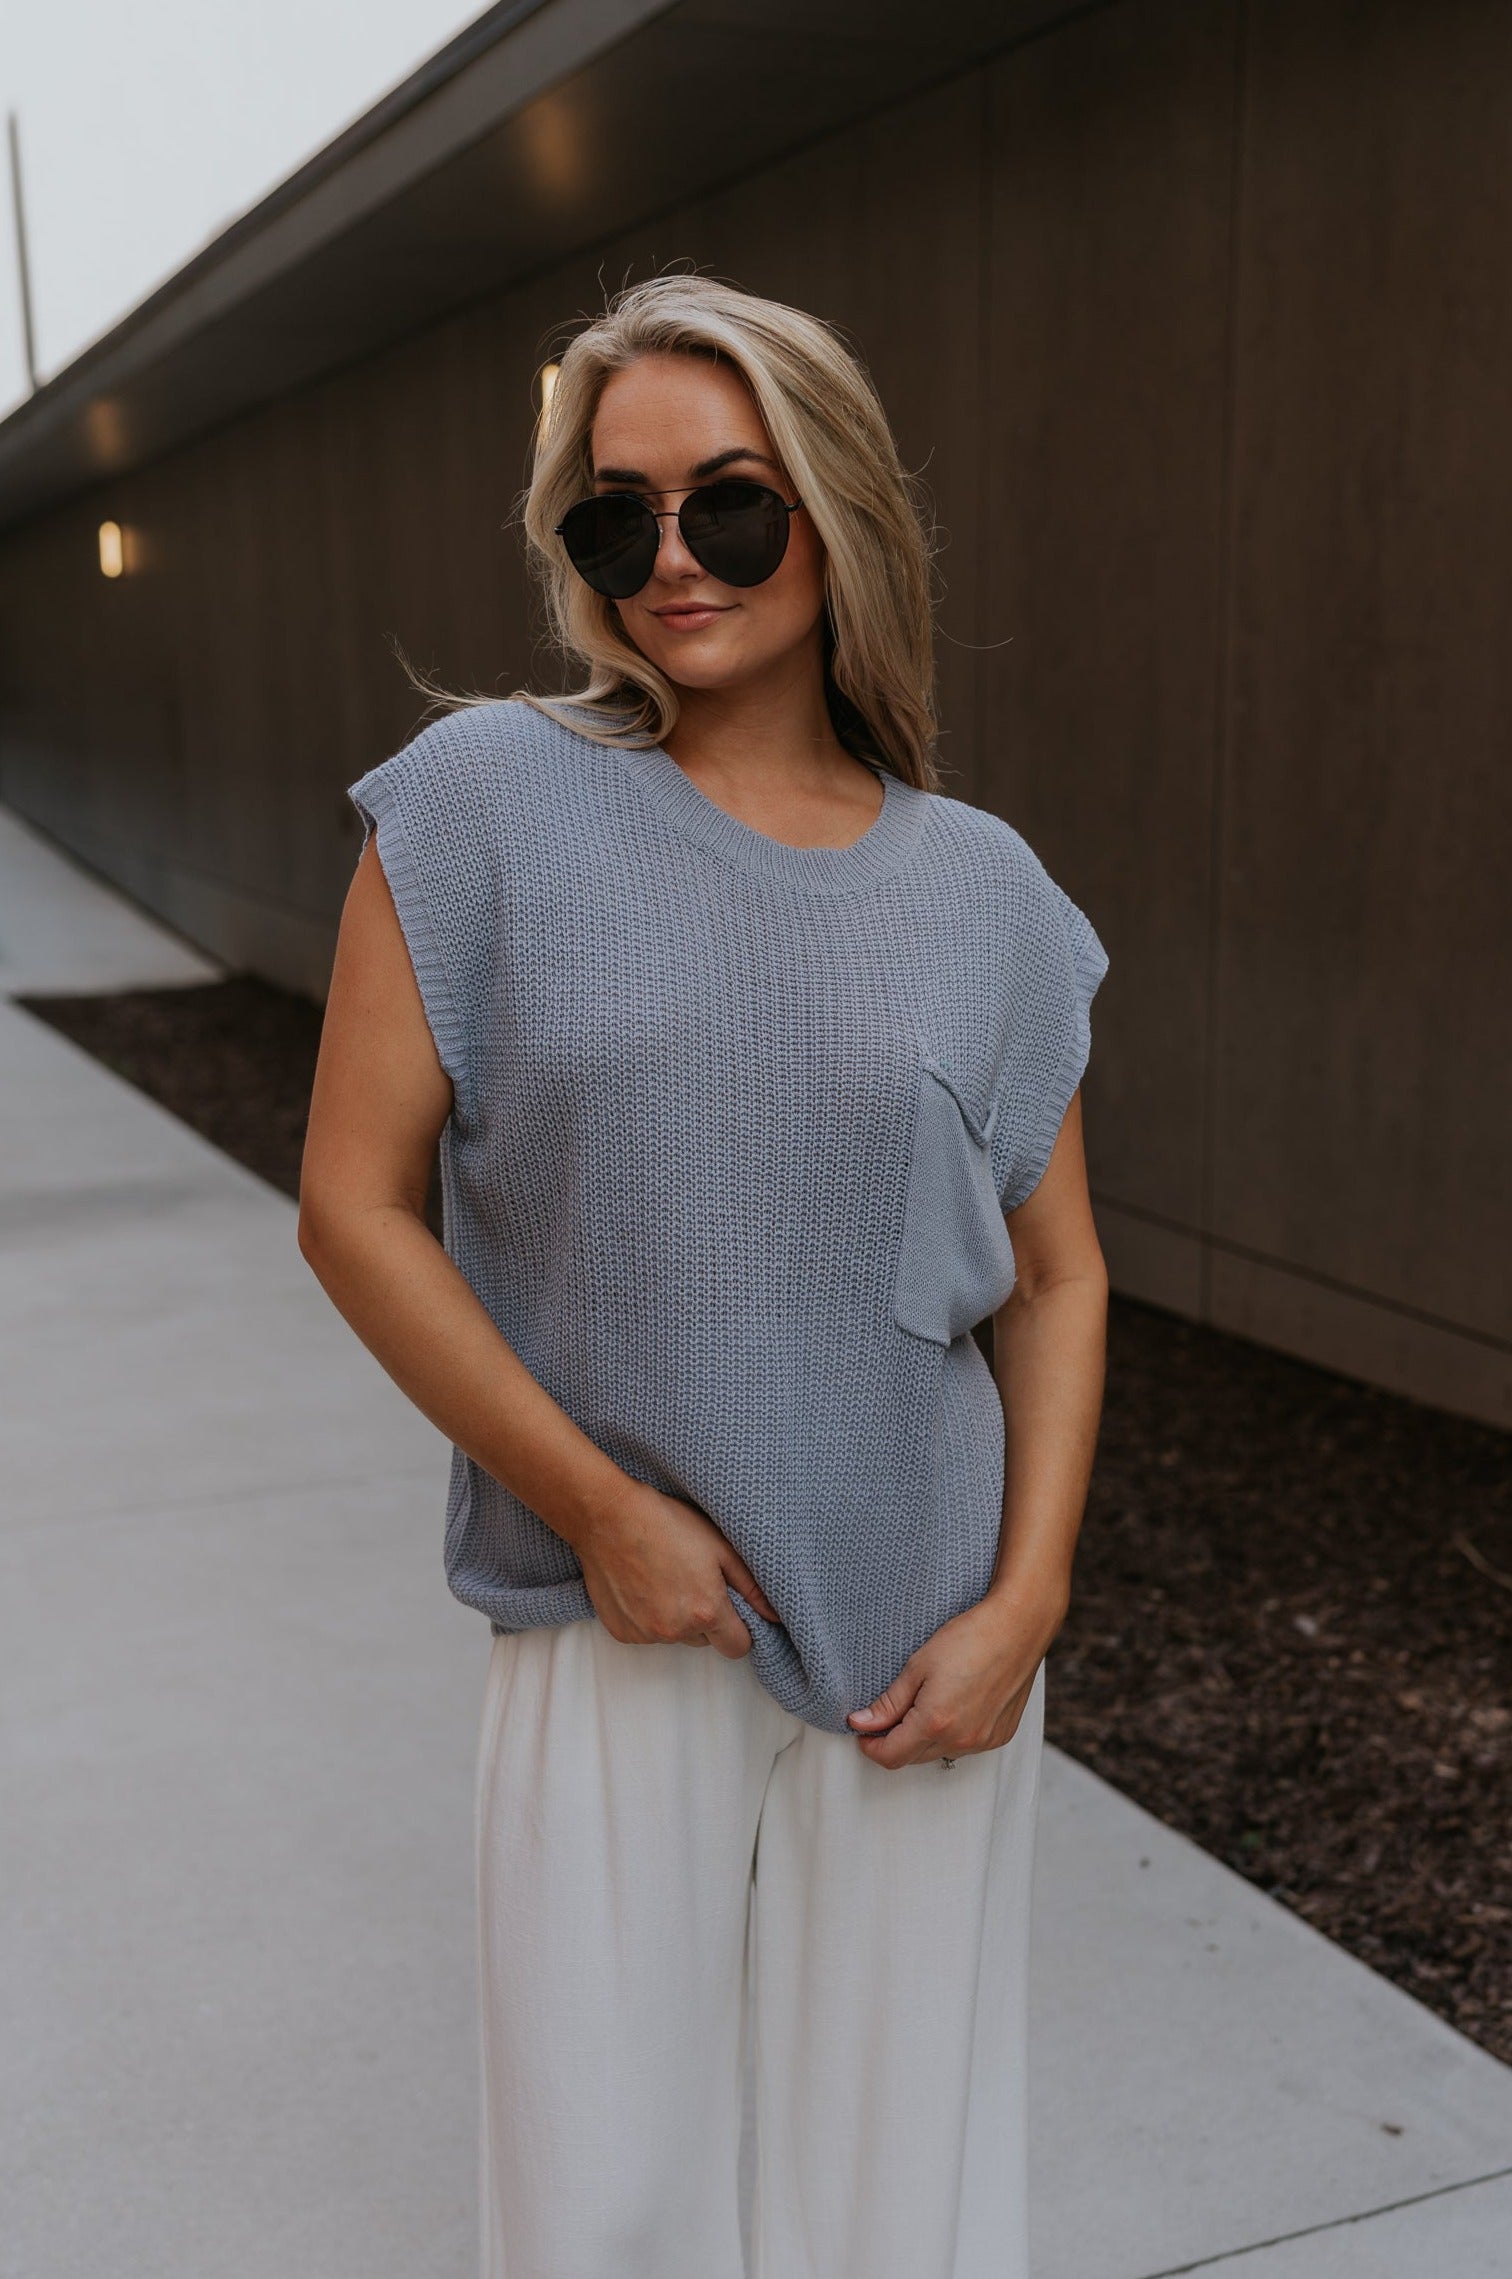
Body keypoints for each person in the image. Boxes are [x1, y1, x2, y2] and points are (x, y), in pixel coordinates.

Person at [298, 271, 1109, 2279]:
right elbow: (351, 1206)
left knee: (887, 2212)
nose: (672, 558)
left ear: (833, 515)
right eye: (616, 515)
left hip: (925, 1643)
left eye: (727, 503)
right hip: (619, 1619)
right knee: (604, 2209)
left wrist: (1029, 1601)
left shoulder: (981, 886)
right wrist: (600, 1516)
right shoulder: (487, 802)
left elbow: (1061, 1276)